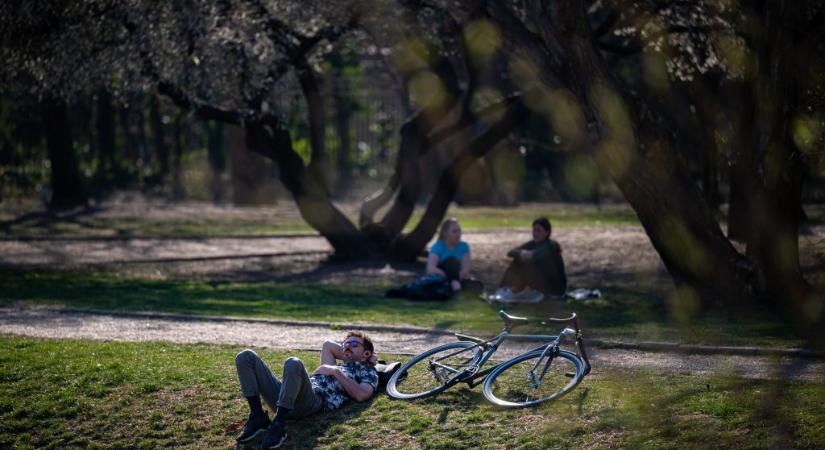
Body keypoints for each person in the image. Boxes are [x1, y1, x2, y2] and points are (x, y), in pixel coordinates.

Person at [234, 331, 379, 449]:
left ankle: (278, 425)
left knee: (293, 363)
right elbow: (328, 345)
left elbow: (362, 395)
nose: (346, 346)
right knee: (245, 356)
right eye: (345, 344)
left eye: (353, 344)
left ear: (366, 353)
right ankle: (257, 416)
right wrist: (350, 351)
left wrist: (336, 371)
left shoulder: (367, 372)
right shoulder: (335, 364)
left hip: (311, 400)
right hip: (285, 396)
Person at [490, 217, 567, 303]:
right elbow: (511, 252)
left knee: (526, 264)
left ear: (547, 232)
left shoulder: (550, 245)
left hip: (555, 288)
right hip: (542, 283)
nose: (535, 233)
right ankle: (504, 290)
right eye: (534, 230)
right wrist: (522, 253)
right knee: (517, 261)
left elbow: (533, 257)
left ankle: (511, 291)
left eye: (539, 231)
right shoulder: (533, 243)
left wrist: (524, 254)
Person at [426, 218, 472, 292]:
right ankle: (456, 287)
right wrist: (450, 276)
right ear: (445, 233)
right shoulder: (437, 246)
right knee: (451, 260)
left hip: (459, 276)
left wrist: (456, 276)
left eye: (459, 231)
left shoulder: (464, 246)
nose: (458, 234)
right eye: (454, 231)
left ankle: (455, 285)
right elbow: (430, 269)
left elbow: (465, 269)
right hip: (441, 278)